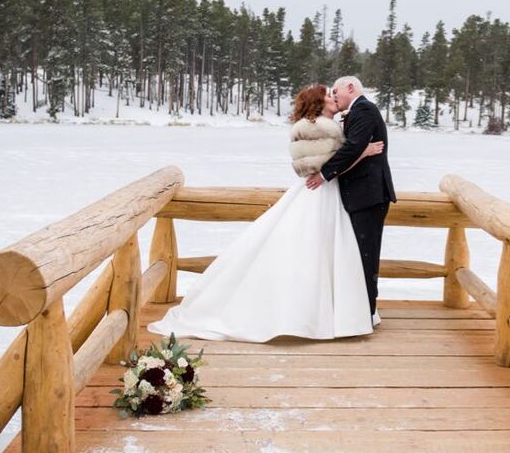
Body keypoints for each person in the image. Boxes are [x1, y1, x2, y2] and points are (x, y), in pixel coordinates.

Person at [147, 84, 384, 342]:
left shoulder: (325, 124)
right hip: (321, 192)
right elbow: (325, 165)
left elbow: (333, 162)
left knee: (324, 251)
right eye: (328, 95)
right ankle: (313, 315)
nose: (333, 98)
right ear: (318, 102)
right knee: (313, 249)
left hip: (328, 192)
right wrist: (365, 151)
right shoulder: (316, 128)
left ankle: (329, 312)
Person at [305, 75, 396, 326]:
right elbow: (355, 148)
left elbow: (353, 146)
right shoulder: (355, 112)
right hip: (360, 196)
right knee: (358, 255)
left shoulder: (364, 109)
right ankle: (362, 310)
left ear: (351, 88)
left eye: (336, 91)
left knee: (366, 256)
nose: (334, 96)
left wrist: (324, 174)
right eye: (330, 94)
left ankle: (366, 312)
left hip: (369, 195)